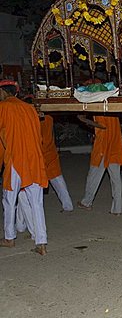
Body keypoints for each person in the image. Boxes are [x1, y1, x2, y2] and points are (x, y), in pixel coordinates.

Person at [0, 80, 49, 255]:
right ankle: (41, 242)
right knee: (36, 203)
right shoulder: (30, 109)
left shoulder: (4, 107)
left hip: (16, 160)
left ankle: (9, 237)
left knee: (8, 201)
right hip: (34, 161)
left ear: (3, 92)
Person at [77, 115, 122, 215]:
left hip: (103, 148)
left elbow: (102, 126)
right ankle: (117, 209)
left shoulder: (99, 108)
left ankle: (86, 202)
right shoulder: (113, 109)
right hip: (114, 147)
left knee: (93, 177)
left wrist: (84, 120)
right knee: (116, 179)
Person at [40, 114, 74, 213]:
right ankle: (68, 205)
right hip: (50, 151)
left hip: (41, 153)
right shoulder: (49, 117)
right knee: (58, 179)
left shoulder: (35, 118)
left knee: (34, 185)